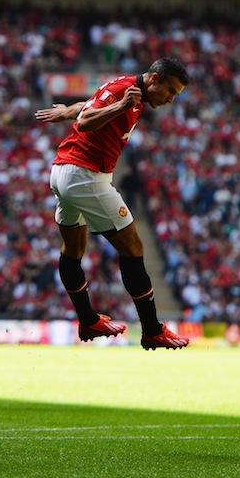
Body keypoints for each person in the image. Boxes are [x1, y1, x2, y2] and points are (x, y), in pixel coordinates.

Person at [34, 57, 190, 350]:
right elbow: (85, 122)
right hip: (85, 175)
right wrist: (117, 108)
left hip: (65, 173)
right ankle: (152, 329)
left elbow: (88, 106)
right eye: (170, 91)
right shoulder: (124, 92)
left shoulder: (131, 92)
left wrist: (67, 109)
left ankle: (88, 320)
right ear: (154, 79)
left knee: (73, 248)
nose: (170, 100)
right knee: (132, 247)